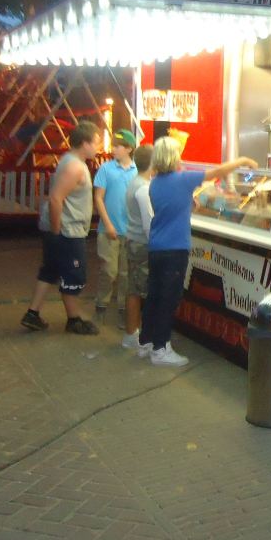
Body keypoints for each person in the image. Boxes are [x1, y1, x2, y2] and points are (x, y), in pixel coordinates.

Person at [141, 137, 256, 366]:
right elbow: (218, 172)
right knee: (169, 299)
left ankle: (146, 341)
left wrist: (188, 203)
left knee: (154, 296)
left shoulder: (154, 183)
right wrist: (242, 160)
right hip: (175, 248)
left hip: (156, 247)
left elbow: (169, 208)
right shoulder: (183, 179)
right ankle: (160, 349)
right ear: (172, 157)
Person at [21, 121, 104, 335]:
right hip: (68, 231)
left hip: (63, 229)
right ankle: (74, 318)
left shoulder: (72, 162)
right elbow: (56, 199)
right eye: (96, 142)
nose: (99, 147)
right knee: (73, 274)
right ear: (84, 143)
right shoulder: (74, 167)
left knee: (50, 270)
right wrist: (57, 231)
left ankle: (32, 313)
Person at [93, 128, 138, 317]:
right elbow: (98, 197)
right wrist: (108, 224)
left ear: (129, 149)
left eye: (118, 146)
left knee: (126, 273)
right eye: (113, 145)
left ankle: (122, 307)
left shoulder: (137, 171)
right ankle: (101, 304)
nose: (113, 149)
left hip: (129, 231)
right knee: (108, 271)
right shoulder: (106, 169)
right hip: (108, 230)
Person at [122, 144, 155, 349]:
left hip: (134, 241)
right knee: (139, 291)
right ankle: (133, 335)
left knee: (134, 288)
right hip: (142, 244)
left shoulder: (136, 182)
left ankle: (133, 333)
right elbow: (148, 223)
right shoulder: (143, 188)